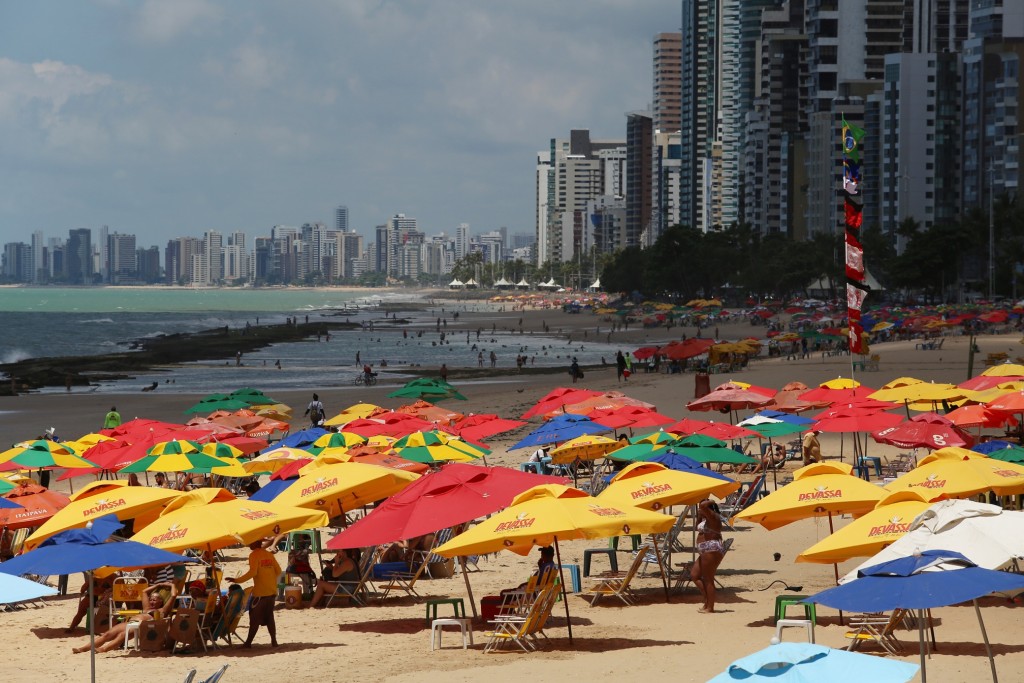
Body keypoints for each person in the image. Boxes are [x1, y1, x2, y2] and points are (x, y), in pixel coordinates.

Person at [71, 581, 178, 653]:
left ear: (161, 601)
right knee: (107, 634)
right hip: (131, 622)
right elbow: (144, 592)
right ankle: (83, 648)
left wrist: (170, 585)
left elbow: (173, 595)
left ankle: (103, 649)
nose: (151, 601)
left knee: (122, 634)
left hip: (142, 625)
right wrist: (158, 585)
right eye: (151, 599)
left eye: (155, 600)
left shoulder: (162, 610)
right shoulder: (147, 608)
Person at [227, 538, 283, 648]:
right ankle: (274, 641)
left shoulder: (254, 555)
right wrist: (269, 579)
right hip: (272, 592)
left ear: (256, 542)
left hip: (260, 593)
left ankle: (248, 643)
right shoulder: (269, 554)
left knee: (254, 618)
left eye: (250, 542)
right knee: (269, 617)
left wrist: (237, 580)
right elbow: (279, 571)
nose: (248, 545)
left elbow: (253, 572)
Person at [691, 499, 724, 613]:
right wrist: (699, 515)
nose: (700, 509)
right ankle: (707, 599)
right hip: (705, 549)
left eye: (702, 508)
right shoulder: (705, 519)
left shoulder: (713, 517)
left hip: (711, 548)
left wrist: (709, 500)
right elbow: (697, 527)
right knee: (695, 575)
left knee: (708, 579)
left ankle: (710, 607)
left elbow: (704, 506)